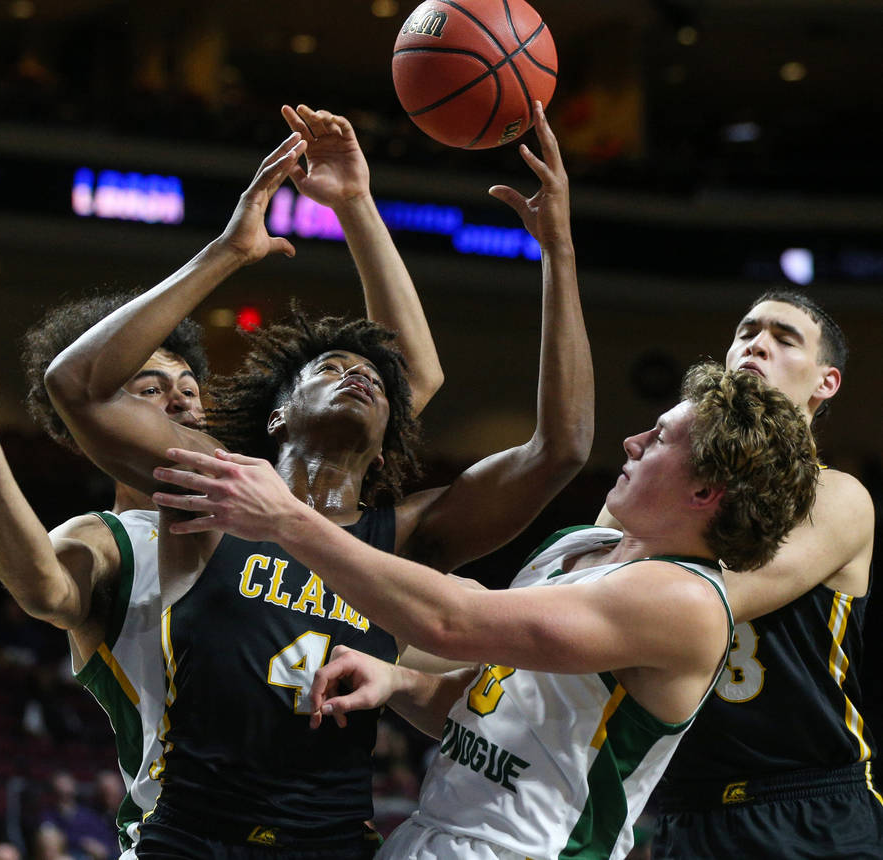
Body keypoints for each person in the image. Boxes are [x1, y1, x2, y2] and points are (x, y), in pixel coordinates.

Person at [44, 101, 592, 857]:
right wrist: (228, 250)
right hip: (189, 839)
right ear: (276, 416)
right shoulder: (214, 489)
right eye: (329, 367)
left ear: (390, 431)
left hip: (330, 843)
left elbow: (560, 448)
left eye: (369, 375)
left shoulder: (405, 535)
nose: (355, 377)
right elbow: (75, 385)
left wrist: (558, 254)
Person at [0, 103, 446, 859]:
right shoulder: (107, 540)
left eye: (188, 385)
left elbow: (411, 381)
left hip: (309, 826)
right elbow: (43, 590)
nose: (182, 398)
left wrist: (359, 207)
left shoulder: (258, 495)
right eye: (150, 389)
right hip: (182, 833)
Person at [152, 362, 819, 860]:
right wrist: (403, 685)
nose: (634, 441)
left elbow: (449, 623)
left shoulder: (686, 599)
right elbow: (500, 717)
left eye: (662, 437)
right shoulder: (579, 548)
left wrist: (288, 521)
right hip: (428, 834)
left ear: (706, 488)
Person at [641, 292, 882, 858]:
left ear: (826, 383)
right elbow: (572, 590)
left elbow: (708, 603)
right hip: (685, 805)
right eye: (747, 330)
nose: (756, 342)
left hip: (806, 804)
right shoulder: (660, 480)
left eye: (784, 337)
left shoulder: (838, 496)